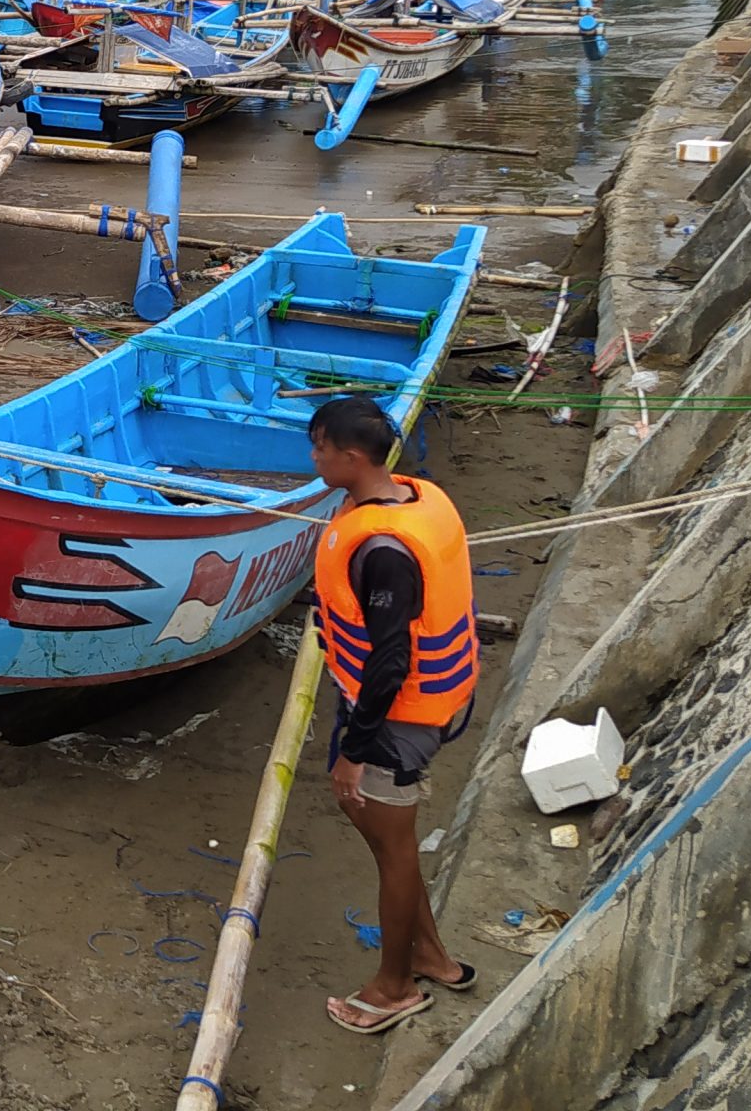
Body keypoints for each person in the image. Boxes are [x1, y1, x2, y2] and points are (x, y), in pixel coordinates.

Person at [309, 396, 479, 1035]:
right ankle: (432, 957)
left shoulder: (382, 548)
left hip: (398, 716)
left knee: (393, 846)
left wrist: (354, 749)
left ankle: (395, 987)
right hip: (412, 704)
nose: (314, 457)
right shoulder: (413, 497)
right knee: (387, 840)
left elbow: (388, 662)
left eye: (320, 448)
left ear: (352, 457)